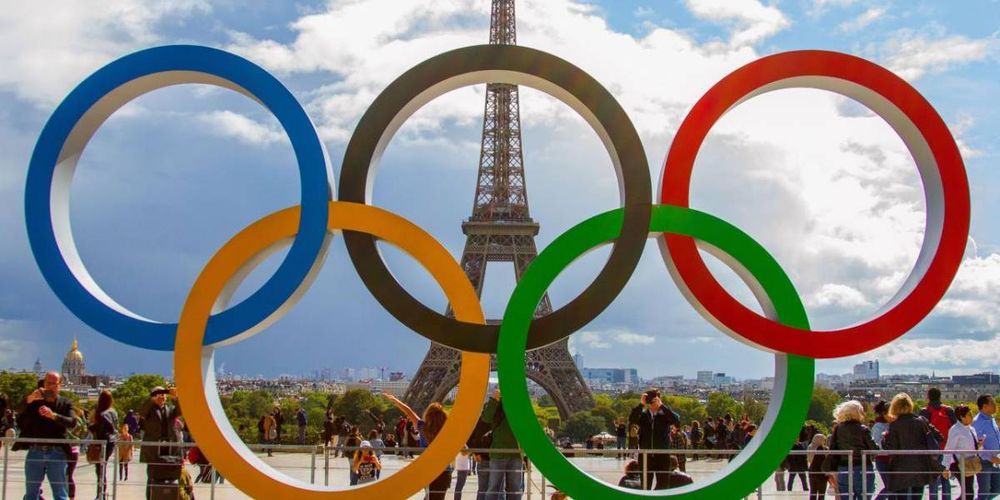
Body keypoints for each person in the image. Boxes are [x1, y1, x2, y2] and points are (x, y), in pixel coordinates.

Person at [14, 372, 77, 500]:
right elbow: (18, 410)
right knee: (31, 493)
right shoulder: (35, 402)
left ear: (60, 385)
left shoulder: (65, 403)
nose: (51, 387)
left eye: (55, 384)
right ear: (44, 384)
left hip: (57, 452)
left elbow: (72, 422)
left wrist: (53, 416)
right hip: (35, 450)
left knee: (60, 493)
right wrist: (30, 399)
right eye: (49, 383)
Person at [383, 392, 453, 500]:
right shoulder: (447, 430)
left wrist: (394, 400)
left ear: (428, 414)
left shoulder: (422, 427)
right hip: (445, 470)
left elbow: (409, 412)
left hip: (428, 469)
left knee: (429, 496)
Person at [883, 392, 948, 499]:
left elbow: (890, 448)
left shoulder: (895, 425)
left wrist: (884, 437)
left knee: (902, 497)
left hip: (901, 468)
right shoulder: (921, 421)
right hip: (920, 466)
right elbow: (939, 436)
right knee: (917, 496)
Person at [823, 399, 877, 500]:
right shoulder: (863, 429)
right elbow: (874, 449)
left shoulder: (838, 429)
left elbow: (833, 449)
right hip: (863, 468)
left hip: (843, 468)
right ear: (858, 413)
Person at [628, 388, 680, 489]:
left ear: (659, 399)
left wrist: (662, 406)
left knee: (663, 486)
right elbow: (632, 419)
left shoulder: (665, 415)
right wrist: (641, 404)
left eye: (653, 400)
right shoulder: (643, 415)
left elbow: (675, 420)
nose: (651, 403)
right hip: (645, 455)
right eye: (649, 401)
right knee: (645, 486)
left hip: (662, 455)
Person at [139, 385, 182, 499]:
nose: (161, 397)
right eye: (158, 394)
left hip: (169, 448)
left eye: (163, 394)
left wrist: (175, 397)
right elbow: (142, 413)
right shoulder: (149, 409)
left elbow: (180, 411)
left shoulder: (170, 409)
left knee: (170, 475)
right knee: (152, 476)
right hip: (154, 449)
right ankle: (151, 497)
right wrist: (151, 399)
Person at [481, 388, 523, 499]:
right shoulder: (496, 403)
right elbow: (485, 418)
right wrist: (494, 400)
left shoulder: (518, 403)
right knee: (495, 488)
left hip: (513, 454)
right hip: (501, 453)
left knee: (512, 489)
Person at [920, 387, 958, 500]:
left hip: (932, 450)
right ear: (940, 396)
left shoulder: (924, 411)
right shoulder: (949, 410)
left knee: (933, 480)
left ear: (928, 397)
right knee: (945, 478)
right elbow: (955, 428)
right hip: (946, 448)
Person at [943, 404, 981, 500]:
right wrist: (946, 467)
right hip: (959, 464)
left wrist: (979, 445)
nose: (972, 416)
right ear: (962, 417)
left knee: (968, 493)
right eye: (969, 414)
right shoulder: (956, 429)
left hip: (970, 464)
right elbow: (949, 448)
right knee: (968, 494)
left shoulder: (971, 429)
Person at [89, 389, 119, 500]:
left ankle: (100, 494)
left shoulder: (102, 414)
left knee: (100, 469)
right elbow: (114, 428)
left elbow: (104, 429)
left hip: (102, 443)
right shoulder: (113, 411)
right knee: (102, 467)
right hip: (112, 442)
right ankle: (101, 493)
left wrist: (92, 427)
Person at [972, 394, 1000, 500]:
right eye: (992, 403)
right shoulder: (978, 422)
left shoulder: (991, 419)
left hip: (995, 461)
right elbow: (978, 445)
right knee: (984, 491)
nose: (995, 405)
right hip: (985, 462)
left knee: (996, 489)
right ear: (985, 406)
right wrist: (991, 457)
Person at [869, 400, 892, 498]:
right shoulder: (878, 426)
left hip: (890, 459)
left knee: (892, 488)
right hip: (883, 459)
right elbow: (877, 444)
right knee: (890, 487)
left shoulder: (891, 424)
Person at [786, 427, 809, 491]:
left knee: (803, 478)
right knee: (791, 479)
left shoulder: (800, 445)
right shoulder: (791, 446)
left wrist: (805, 465)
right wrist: (790, 464)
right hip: (794, 465)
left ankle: (805, 489)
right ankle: (789, 489)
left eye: (798, 437)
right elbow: (789, 457)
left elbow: (803, 456)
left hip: (800, 465)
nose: (798, 438)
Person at [807, 433, 829, 500]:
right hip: (822, 474)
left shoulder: (810, 447)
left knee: (813, 492)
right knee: (821, 494)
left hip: (812, 472)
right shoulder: (825, 449)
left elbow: (809, 460)